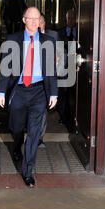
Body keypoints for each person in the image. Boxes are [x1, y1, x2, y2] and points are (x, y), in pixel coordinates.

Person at [0, 7, 58, 187]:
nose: (34, 22)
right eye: (30, 18)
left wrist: (53, 92)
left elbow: (51, 70)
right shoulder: (12, 40)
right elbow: (5, 68)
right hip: (19, 91)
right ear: (24, 20)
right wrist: (1, 92)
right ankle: (16, 145)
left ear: (40, 20)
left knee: (34, 132)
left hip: (39, 91)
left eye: (37, 18)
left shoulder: (49, 41)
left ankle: (27, 171)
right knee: (16, 127)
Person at [37, 13, 60, 148]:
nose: (38, 24)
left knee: (43, 110)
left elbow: (62, 54)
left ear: (45, 23)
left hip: (47, 78)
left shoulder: (53, 36)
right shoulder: (26, 37)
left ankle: (39, 138)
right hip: (31, 80)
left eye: (41, 21)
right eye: (36, 21)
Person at [56, 9, 77, 128]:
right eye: (69, 18)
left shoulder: (80, 32)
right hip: (63, 68)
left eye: (73, 18)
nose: (71, 21)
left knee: (73, 93)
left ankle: (73, 117)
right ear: (66, 19)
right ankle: (63, 117)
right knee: (63, 94)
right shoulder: (60, 33)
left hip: (75, 68)